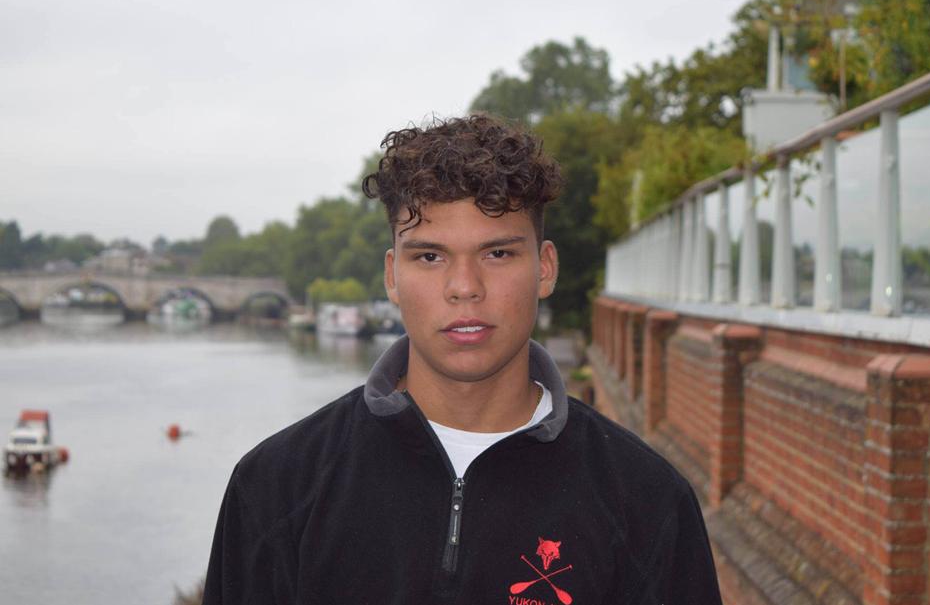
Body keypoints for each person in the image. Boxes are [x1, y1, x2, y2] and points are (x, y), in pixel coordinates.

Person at [202, 114, 723, 604]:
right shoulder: (275, 486)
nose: (464, 289)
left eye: (497, 254)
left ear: (544, 269)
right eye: (430, 256)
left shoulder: (648, 502)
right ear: (392, 276)